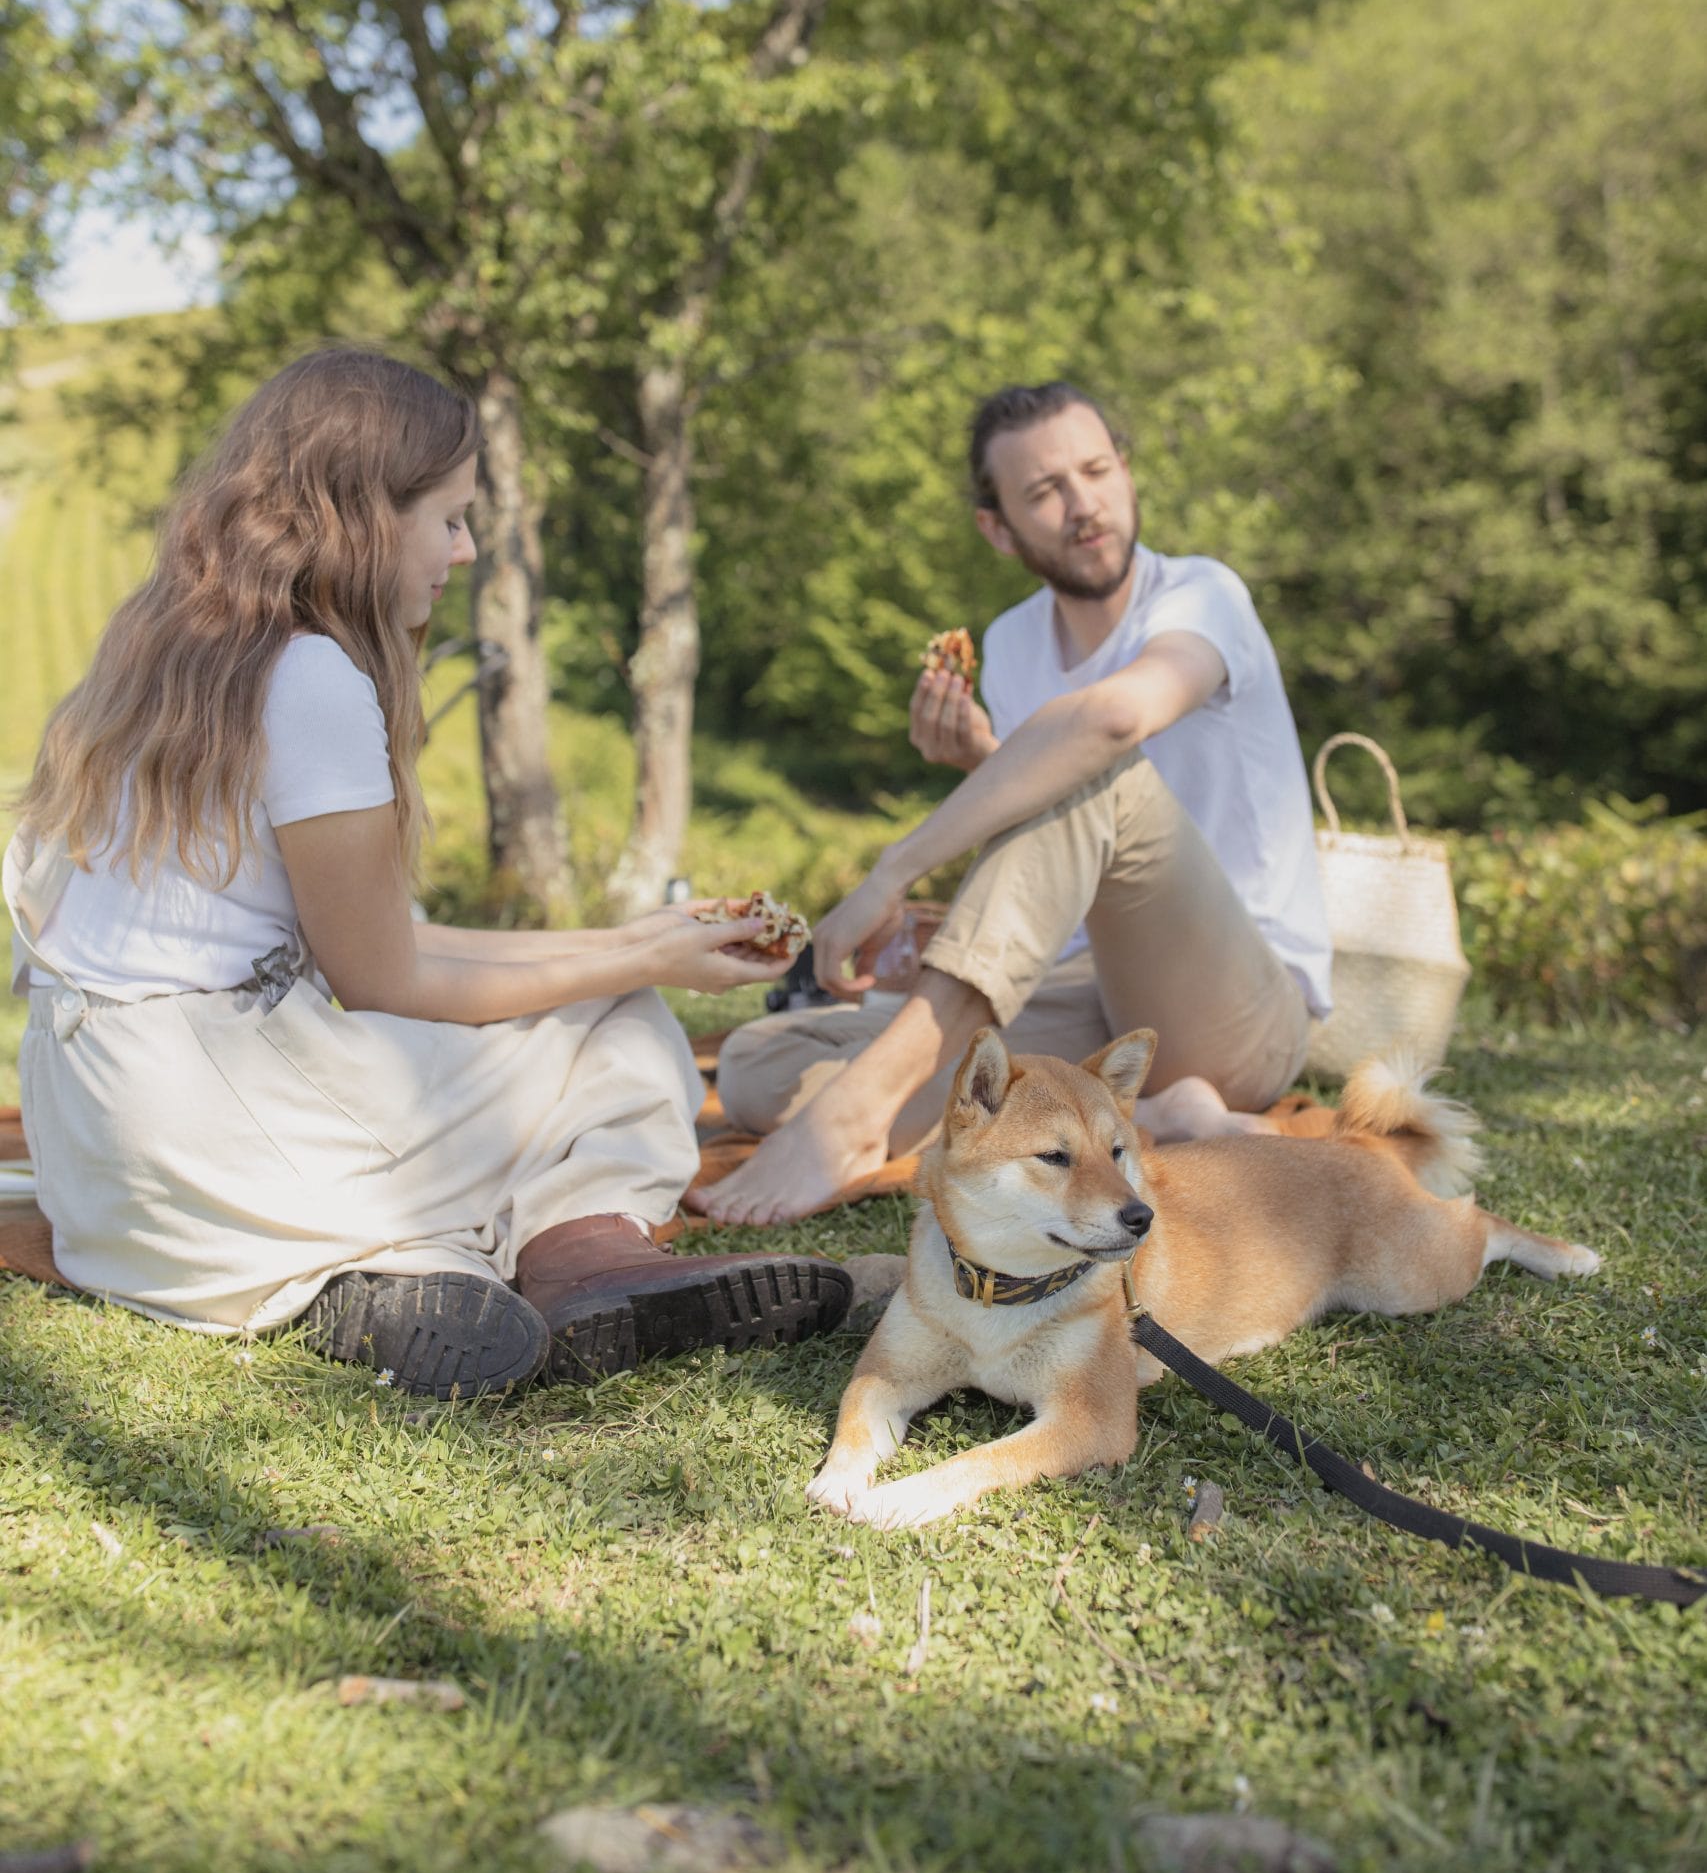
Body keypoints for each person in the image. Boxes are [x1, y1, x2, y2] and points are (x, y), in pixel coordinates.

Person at [3, 350, 850, 1395]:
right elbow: (388, 978)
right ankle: (586, 1253)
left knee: (612, 989)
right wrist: (637, 972)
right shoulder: (307, 672)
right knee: (628, 1026)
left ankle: (396, 1275)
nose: (466, 548)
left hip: (106, 1163)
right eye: (448, 518)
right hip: (212, 1117)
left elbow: (375, 940)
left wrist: (643, 938)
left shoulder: (169, 649)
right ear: (362, 517)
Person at [690, 379, 1333, 1225]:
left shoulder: (1202, 595)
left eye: (1096, 471)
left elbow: (1109, 724)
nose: (1083, 504)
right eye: (1043, 491)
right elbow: (1062, 846)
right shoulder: (1011, 641)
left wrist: (893, 873)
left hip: (1235, 1007)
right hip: (1088, 989)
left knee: (1090, 763)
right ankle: (1159, 1120)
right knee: (759, 1062)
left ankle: (854, 1119)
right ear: (997, 527)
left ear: (1127, 473)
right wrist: (984, 764)